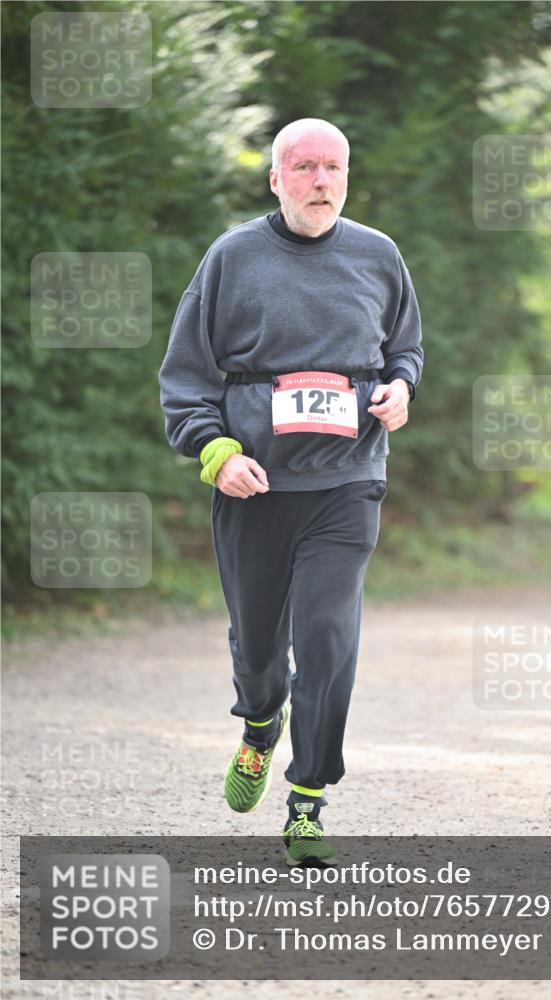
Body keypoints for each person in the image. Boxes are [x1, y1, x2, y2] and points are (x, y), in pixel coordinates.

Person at [159, 117, 423, 866]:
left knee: (328, 637)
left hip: (348, 482)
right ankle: (258, 724)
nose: (319, 180)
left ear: (347, 177)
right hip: (256, 486)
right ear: (275, 179)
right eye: (303, 167)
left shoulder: (378, 254)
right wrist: (216, 453)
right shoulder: (232, 257)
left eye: (332, 167)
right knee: (258, 649)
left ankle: (307, 799)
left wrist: (400, 388)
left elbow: (404, 348)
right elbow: (185, 376)